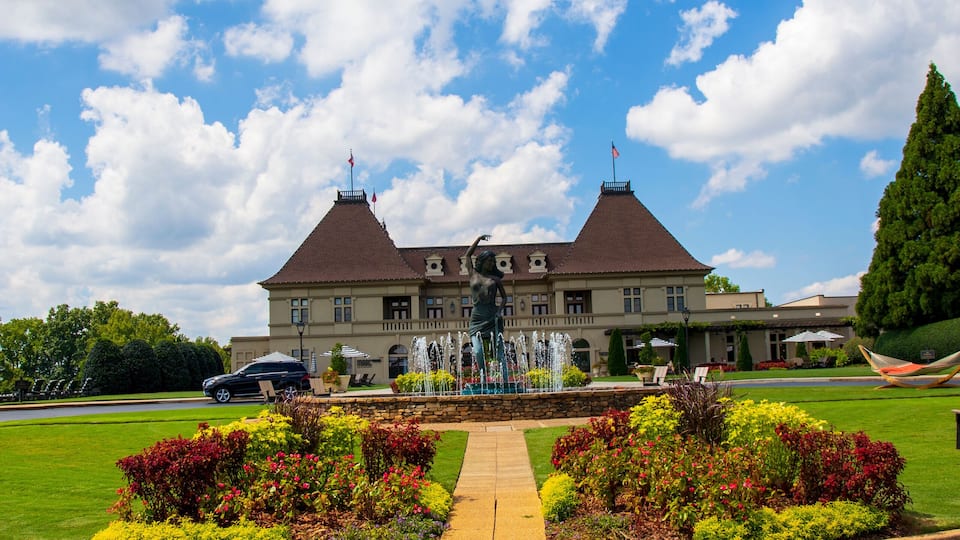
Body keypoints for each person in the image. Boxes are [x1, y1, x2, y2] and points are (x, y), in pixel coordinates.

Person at [465, 234, 507, 372]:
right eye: (489, 261)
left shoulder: (496, 279)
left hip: (492, 315)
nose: (491, 264)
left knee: (498, 351)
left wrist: (499, 311)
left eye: (492, 262)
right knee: (477, 351)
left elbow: (505, 298)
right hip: (477, 317)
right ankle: (483, 376)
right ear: (482, 261)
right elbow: (467, 255)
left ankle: (502, 378)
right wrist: (478, 239)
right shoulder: (473, 274)